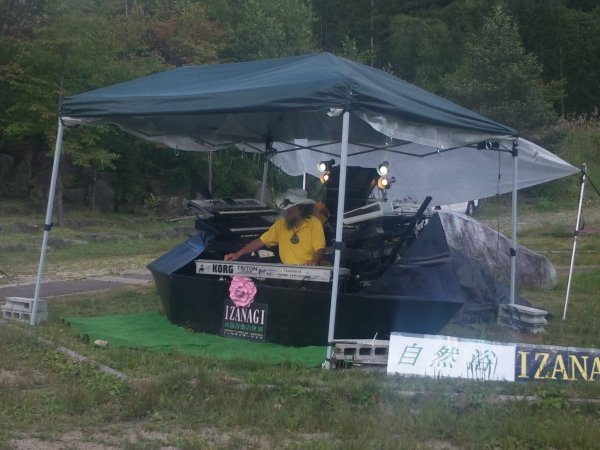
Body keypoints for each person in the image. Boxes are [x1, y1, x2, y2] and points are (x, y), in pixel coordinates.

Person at [224, 189, 325, 265]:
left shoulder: (314, 224)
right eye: (286, 208)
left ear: (301, 209)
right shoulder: (281, 224)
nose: (287, 211)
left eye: (291, 208)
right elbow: (260, 241)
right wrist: (238, 254)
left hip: (309, 274)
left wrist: (313, 262)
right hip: (287, 274)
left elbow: (320, 248)